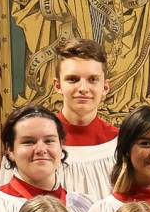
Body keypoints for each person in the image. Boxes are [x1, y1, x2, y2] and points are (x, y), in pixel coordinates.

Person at [50, 39, 118, 202]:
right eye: (73, 79)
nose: (83, 88)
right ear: (57, 85)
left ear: (105, 87)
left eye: (93, 79)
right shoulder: (37, 143)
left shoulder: (120, 144)